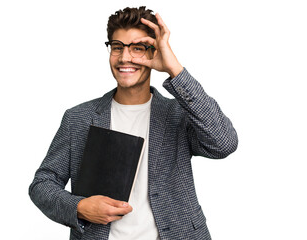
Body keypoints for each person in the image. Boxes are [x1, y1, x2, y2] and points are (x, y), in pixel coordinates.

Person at [29, 6, 238, 240]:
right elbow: (42, 184)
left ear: (154, 52)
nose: (124, 57)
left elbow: (224, 143)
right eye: (117, 47)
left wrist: (175, 70)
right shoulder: (78, 118)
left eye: (137, 48)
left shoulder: (178, 114)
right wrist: (79, 207)